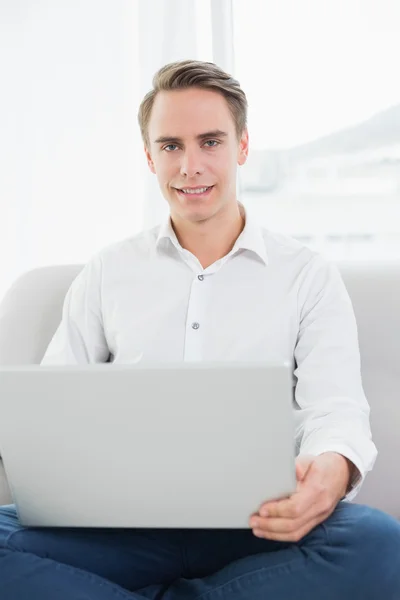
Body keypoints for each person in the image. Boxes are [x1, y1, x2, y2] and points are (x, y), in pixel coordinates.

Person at [0, 59, 399, 600]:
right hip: (119, 529)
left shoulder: (306, 275)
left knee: (377, 544)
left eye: (210, 142)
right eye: (170, 146)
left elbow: (337, 410)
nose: (190, 166)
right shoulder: (108, 272)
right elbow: (54, 408)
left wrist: (330, 471)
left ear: (241, 147)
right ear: (149, 156)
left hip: (257, 526)